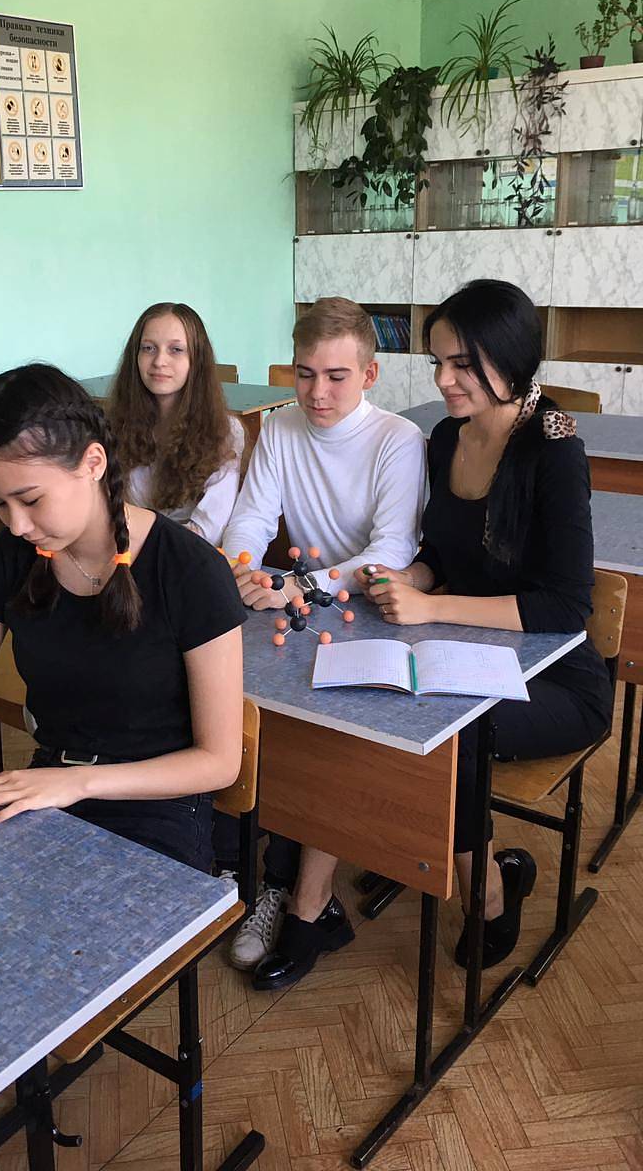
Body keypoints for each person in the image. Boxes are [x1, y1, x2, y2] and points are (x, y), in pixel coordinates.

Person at [0, 363, 245, 1171]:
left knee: (1, 965)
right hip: (48, 794)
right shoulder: (17, 558)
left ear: (92, 462)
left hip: (156, 815)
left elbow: (219, 761)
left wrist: (77, 780)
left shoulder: (189, 571)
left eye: (30, 500)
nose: (15, 525)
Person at [358, 278, 612, 969]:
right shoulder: (447, 437)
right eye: (438, 362)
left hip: (556, 679)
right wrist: (408, 578)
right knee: (379, 702)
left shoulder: (555, 447)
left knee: (454, 734)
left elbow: (566, 606)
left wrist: (432, 606)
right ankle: (419, 840)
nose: (443, 379)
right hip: (467, 651)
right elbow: (443, 553)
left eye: (462, 364)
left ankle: (491, 892)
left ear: (510, 359)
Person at [219, 297, 426, 986]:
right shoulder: (280, 428)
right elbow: (251, 519)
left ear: (369, 375)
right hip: (297, 608)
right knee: (240, 715)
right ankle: (242, 870)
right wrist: (246, 570)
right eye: (305, 374)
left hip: (374, 613)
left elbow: (390, 551)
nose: (317, 392)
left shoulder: (398, 439)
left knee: (318, 746)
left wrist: (300, 584)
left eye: (336, 376)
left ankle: (290, 888)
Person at [106, 302, 244, 545]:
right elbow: (106, 513)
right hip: (126, 552)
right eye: (148, 348)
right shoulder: (115, 425)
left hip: (188, 556)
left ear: (197, 360)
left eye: (176, 349)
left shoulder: (226, 432)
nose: (159, 361)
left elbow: (207, 531)